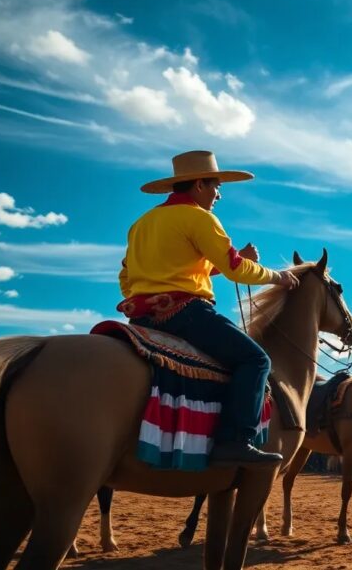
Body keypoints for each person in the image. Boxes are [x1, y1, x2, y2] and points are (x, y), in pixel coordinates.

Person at [118, 151, 300, 467]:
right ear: (200, 184)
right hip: (186, 314)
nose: (219, 194)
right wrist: (278, 277)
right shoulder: (200, 218)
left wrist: (148, 297)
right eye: (216, 186)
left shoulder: (141, 224)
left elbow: (128, 274)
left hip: (142, 318)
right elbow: (235, 269)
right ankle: (234, 441)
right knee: (256, 359)